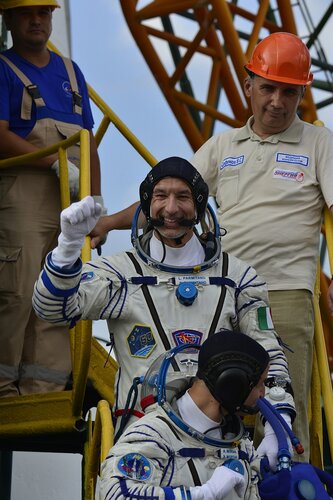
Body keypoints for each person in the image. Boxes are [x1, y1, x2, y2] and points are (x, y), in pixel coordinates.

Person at [33, 156, 295, 467]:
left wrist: (280, 424)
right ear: (147, 205)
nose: (170, 209)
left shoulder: (237, 277)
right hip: (143, 445)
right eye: (160, 196)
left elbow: (268, 352)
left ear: (198, 207)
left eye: (182, 197)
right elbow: (52, 308)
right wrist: (66, 250)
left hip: (221, 447)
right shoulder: (121, 273)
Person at [189, 32, 333, 462]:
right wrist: (107, 223)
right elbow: (171, 193)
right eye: (268, 87)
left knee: (284, 409)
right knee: (213, 404)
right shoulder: (222, 145)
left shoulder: (320, 142)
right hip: (221, 294)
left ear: (301, 93)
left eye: (289, 91)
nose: (277, 101)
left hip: (285, 294)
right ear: (247, 84)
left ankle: (291, 485)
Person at [0, 0, 105, 396]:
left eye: (44, 12)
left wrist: (95, 202)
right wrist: (52, 164)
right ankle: (4, 388)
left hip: (71, 200)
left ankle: (43, 390)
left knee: (61, 293)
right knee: (17, 289)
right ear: (8, 19)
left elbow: (87, 141)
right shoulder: (3, 69)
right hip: (23, 195)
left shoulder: (70, 72)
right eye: (26, 13)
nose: (36, 20)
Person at [99, 330, 273, 499]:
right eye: (260, 384)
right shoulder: (153, 435)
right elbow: (118, 494)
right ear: (233, 382)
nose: (263, 394)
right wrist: (204, 494)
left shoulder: (241, 446)